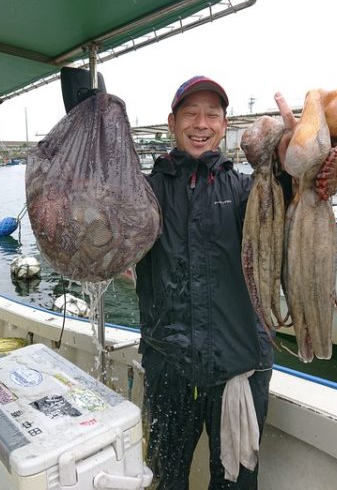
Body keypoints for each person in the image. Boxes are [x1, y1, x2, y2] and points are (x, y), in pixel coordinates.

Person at [135, 76, 275, 490]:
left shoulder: (247, 190)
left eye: (212, 114)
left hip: (239, 365)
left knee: (236, 480)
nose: (201, 123)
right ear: (171, 123)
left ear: (225, 125)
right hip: (168, 365)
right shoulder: (146, 193)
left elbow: (285, 195)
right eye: (190, 113)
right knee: (165, 475)